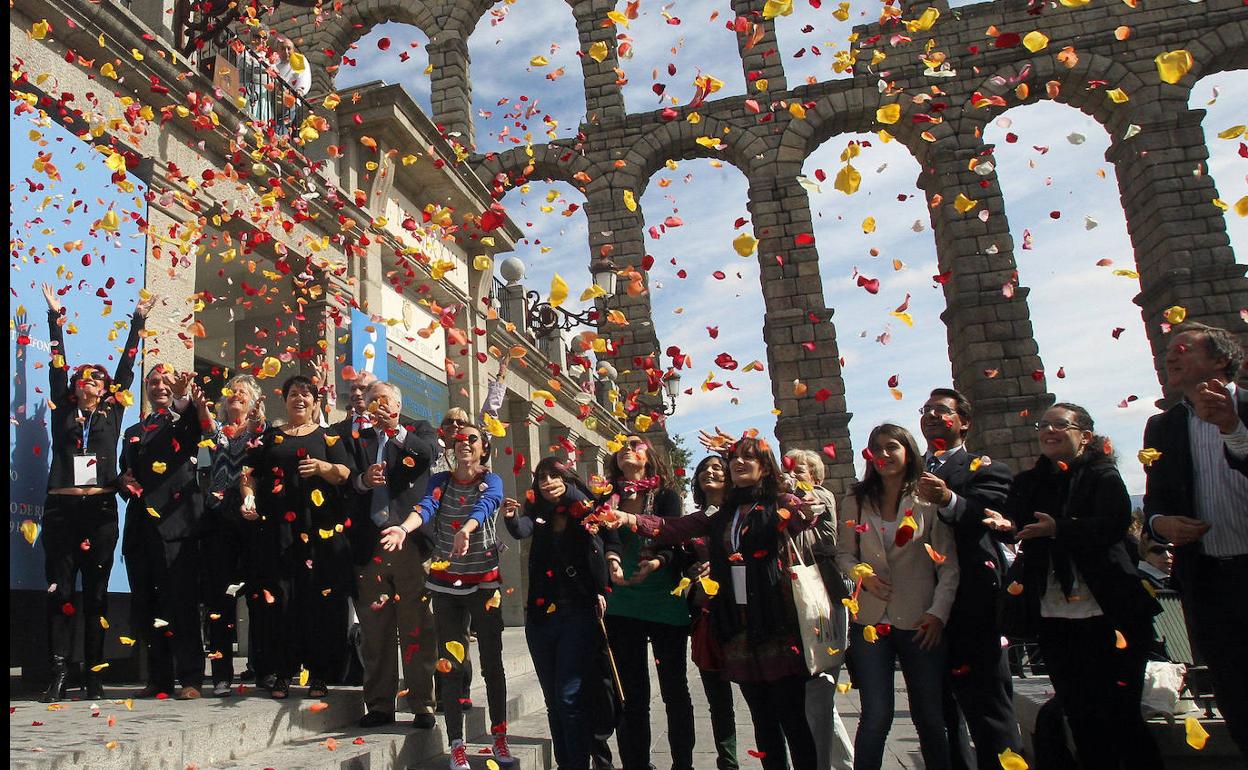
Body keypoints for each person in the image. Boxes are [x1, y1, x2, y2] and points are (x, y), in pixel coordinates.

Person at [607, 436, 821, 770]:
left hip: (775, 622)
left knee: (791, 718)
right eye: (734, 457)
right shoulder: (722, 513)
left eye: (748, 458)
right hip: (737, 625)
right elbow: (672, 527)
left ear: (766, 467)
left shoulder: (779, 502)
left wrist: (807, 500)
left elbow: (808, 516)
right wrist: (630, 519)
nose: (738, 463)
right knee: (763, 721)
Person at [987, 403, 1163, 770]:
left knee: (1121, 715)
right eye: (1043, 424)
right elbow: (1014, 520)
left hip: (1109, 609)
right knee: (1080, 715)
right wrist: (1003, 524)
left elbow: (1113, 525)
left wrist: (1059, 529)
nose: (1048, 430)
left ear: (1085, 435)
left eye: (1059, 425)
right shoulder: (1029, 482)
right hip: (1056, 614)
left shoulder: (1104, 475)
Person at [39, 283, 153, 702]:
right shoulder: (64, 409)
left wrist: (139, 319)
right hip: (62, 510)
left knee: (97, 597)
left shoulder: (113, 409)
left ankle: (93, 676)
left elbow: (127, 365)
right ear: (75, 386)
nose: (92, 383)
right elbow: (57, 363)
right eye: (86, 378)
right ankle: (58, 673)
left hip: (101, 510)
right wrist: (55, 318)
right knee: (62, 593)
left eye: (99, 380)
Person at [381, 423, 514, 770]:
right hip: (444, 585)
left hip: (484, 583)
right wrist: (404, 528)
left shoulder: (491, 480)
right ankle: (456, 743)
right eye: (459, 440)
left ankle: (498, 737)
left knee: (492, 664)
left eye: (472, 439)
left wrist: (466, 531)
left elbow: (487, 505)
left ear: (483, 448)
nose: (464, 444)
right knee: (449, 665)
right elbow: (426, 507)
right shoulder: (441, 481)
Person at [1141, 321, 1248, 754]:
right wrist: (1161, 524)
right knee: (1235, 693)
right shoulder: (1162, 428)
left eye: (1182, 348)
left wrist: (1233, 430)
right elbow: (1155, 504)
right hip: (1208, 581)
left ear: (1220, 360)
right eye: (1167, 350)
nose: (1171, 356)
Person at [835, 424, 958, 770]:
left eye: (892, 447)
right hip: (870, 621)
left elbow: (948, 563)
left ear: (909, 452)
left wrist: (938, 614)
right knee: (875, 716)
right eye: (877, 448)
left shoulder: (928, 497)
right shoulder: (856, 499)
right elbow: (845, 553)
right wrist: (863, 576)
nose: (884, 454)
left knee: (930, 717)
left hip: (921, 620)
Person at [913, 389, 1022, 769]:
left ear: (964, 422)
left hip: (972, 603)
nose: (930, 415)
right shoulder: (904, 471)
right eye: (926, 410)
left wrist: (950, 501)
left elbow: (995, 515)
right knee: (937, 714)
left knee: (988, 708)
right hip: (920, 605)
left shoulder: (985, 467)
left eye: (941, 410)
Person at [240, 374, 355, 699]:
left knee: (318, 603)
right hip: (280, 533)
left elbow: (345, 474)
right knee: (282, 601)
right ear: (286, 400)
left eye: (306, 394)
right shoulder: (271, 438)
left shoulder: (328, 437)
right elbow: (248, 474)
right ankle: (282, 672)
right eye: (293, 394)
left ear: (316, 402)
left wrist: (321, 468)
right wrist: (248, 496)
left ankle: (319, 674)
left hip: (319, 533)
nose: (299, 399)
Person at [501, 457, 609, 770]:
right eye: (542, 477)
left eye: (555, 476)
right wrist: (510, 517)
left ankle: (579, 763)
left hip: (577, 614)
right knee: (553, 700)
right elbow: (522, 530)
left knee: (568, 695)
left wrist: (570, 491)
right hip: (540, 618)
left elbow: (603, 541)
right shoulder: (537, 509)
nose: (548, 482)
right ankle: (566, 762)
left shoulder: (583, 508)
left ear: (568, 477)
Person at [344, 380, 440, 729]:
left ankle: (422, 703)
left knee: (417, 626)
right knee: (375, 630)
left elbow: (425, 457)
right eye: (372, 401)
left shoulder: (418, 429)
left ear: (397, 403)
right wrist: (362, 481)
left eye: (383, 400)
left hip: (409, 542)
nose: (377, 406)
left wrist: (395, 430)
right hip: (369, 545)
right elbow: (347, 481)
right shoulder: (359, 437)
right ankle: (380, 704)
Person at [599, 435, 695, 770]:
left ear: (648, 458)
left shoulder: (666, 495)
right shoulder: (607, 494)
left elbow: (672, 536)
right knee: (632, 695)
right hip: (623, 604)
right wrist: (612, 558)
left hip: (664, 601)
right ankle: (636, 764)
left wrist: (655, 562)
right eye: (623, 445)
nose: (628, 447)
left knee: (675, 691)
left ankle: (682, 763)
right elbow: (604, 535)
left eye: (637, 445)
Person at [118, 366, 214, 699]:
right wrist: (123, 482)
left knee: (181, 604)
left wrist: (185, 398)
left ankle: (190, 678)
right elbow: (124, 472)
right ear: (145, 388)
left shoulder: (183, 423)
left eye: (164, 383)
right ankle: (158, 679)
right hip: (140, 529)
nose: (159, 387)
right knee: (148, 605)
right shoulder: (133, 430)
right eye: (153, 382)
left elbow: (197, 429)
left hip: (176, 527)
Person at [784, 449, 854, 770]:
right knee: (817, 698)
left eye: (799, 470)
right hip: (799, 599)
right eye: (788, 469)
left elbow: (809, 506)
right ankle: (843, 763)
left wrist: (784, 485)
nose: (793, 474)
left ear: (815, 475)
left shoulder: (822, 497)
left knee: (820, 690)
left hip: (823, 596)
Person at [201, 373, 268, 696]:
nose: (236, 396)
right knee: (220, 597)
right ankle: (221, 674)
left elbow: (259, 434)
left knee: (258, 594)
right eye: (231, 392)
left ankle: (264, 668)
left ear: (253, 401)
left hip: (251, 514)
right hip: (219, 517)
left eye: (243, 393)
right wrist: (200, 406)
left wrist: (257, 420)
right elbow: (205, 425)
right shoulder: (216, 430)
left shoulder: (259, 429)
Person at [686, 455, 740, 770]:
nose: (710, 472)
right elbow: (680, 568)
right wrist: (690, 570)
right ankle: (728, 761)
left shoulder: (742, 513)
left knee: (761, 698)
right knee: (718, 701)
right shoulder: (695, 521)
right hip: (707, 617)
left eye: (718, 467)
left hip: (744, 614)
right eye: (704, 468)